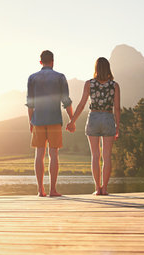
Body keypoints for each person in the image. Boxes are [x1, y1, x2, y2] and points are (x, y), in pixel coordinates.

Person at [67, 57, 120, 195]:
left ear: (96, 68)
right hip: (108, 118)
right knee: (107, 156)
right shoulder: (114, 86)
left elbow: (82, 104)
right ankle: (105, 189)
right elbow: (117, 108)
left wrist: (72, 121)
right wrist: (117, 127)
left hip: (94, 117)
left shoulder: (89, 84)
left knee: (95, 155)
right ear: (108, 68)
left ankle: (97, 188)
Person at [26, 50, 74, 197]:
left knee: (39, 154)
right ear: (53, 61)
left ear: (40, 62)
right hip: (54, 120)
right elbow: (66, 101)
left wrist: (31, 121)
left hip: (38, 120)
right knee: (54, 154)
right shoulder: (60, 77)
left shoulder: (32, 78)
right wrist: (72, 120)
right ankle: (53, 190)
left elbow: (30, 103)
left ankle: (41, 190)